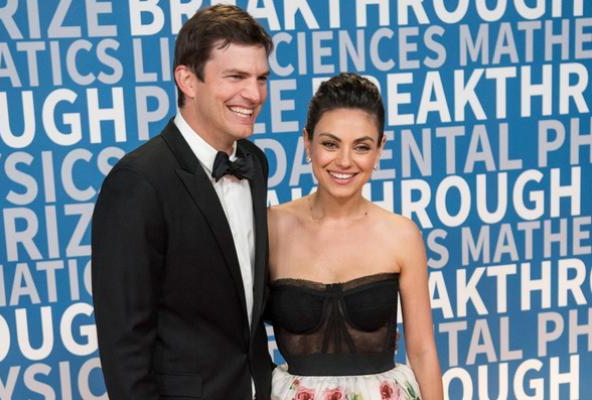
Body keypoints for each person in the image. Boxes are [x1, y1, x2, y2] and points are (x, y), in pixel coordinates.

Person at [91, 5, 274, 399]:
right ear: (187, 80)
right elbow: (124, 348)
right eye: (236, 77)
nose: (254, 94)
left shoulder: (255, 162)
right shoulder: (139, 182)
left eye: (261, 78)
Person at [266, 73, 443, 399]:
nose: (344, 161)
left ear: (380, 149)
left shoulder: (401, 235)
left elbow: (422, 351)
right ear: (307, 141)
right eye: (330, 144)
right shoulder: (271, 226)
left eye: (361, 147)